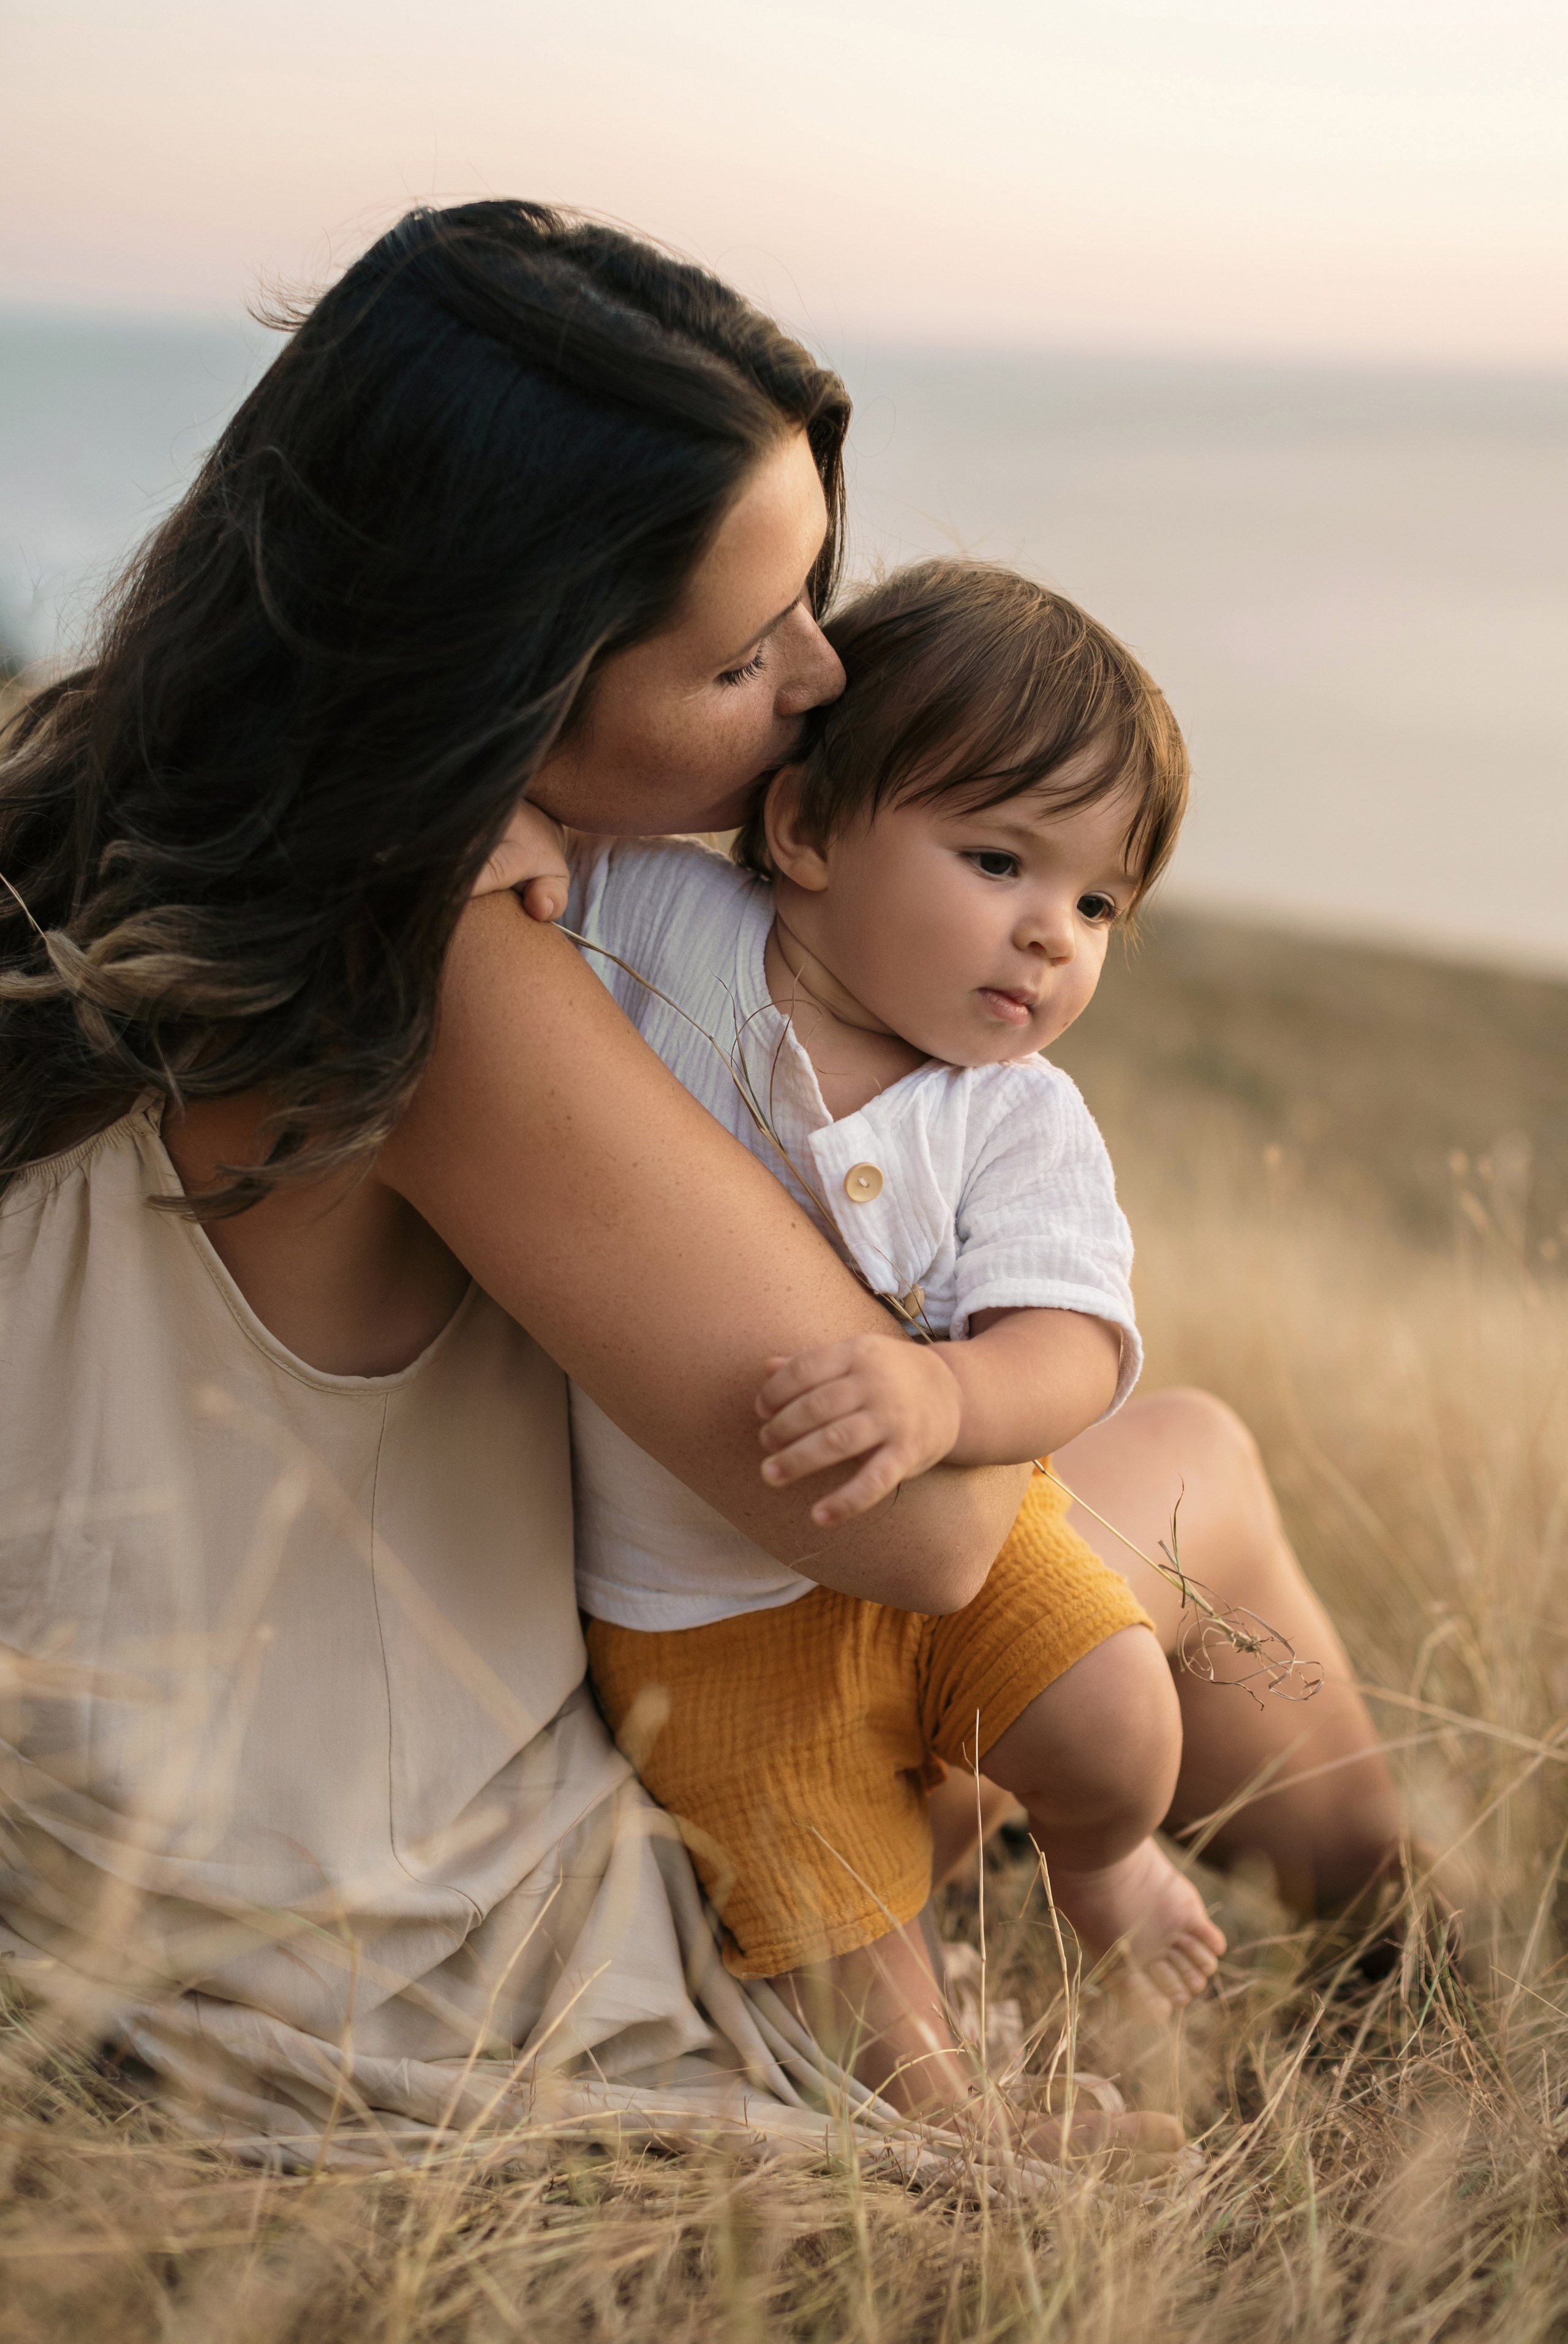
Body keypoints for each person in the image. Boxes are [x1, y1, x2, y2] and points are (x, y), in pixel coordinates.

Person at [0, 199, 1399, 2169]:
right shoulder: (441, 952)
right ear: (512, 674)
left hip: (142, 1860)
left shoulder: (105, 813)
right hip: (435, 1934)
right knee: (1192, 1471)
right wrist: (957, 1340)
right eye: (751, 652)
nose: (827, 679)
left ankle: (1343, 1931)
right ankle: (1411, 1955)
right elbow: (917, 1539)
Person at [498, 559, 1232, 2112]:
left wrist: (945, 1390)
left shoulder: (1016, 1117)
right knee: (855, 1969)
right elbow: (527, 804)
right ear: (804, 830)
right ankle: (978, 2136)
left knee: (1117, 1721)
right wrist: (501, 824)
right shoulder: (664, 923)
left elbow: (1076, 1346)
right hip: (702, 1628)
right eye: (997, 860)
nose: (1051, 937)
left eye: (1097, 903)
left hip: (970, 1542)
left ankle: (1098, 1868)